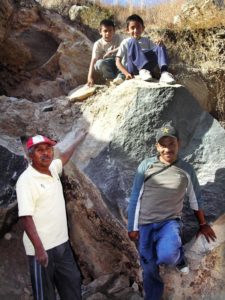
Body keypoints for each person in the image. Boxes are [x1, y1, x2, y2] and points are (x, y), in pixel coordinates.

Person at [127, 122, 216, 300]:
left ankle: (178, 257)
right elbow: (136, 196)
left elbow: (195, 198)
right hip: (145, 224)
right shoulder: (146, 166)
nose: (168, 149)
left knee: (167, 255)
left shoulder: (187, 170)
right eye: (163, 145)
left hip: (169, 222)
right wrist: (132, 226)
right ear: (157, 146)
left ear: (179, 144)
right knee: (149, 268)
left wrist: (203, 224)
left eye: (171, 144)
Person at [16, 130, 87, 300]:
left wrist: (79, 139)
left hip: (62, 244)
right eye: (40, 150)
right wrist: (39, 250)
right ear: (30, 155)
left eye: (48, 148)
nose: (46, 153)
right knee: (45, 294)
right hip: (41, 249)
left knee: (72, 284)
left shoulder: (52, 169)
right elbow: (26, 217)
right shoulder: (26, 181)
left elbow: (64, 158)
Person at [116, 14, 175, 84]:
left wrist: (160, 44)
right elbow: (117, 61)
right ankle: (142, 70)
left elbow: (156, 53)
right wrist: (126, 73)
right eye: (132, 28)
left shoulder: (147, 41)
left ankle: (164, 73)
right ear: (127, 30)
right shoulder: (126, 42)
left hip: (148, 70)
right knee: (132, 41)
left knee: (160, 45)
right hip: (133, 68)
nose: (136, 30)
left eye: (138, 27)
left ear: (143, 28)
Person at [87, 19, 124, 86]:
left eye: (110, 30)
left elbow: (126, 46)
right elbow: (93, 60)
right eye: (105, 31)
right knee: (98, 63)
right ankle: (111, 79)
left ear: (114, 31)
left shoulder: (118, 37)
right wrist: (89, 77)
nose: (108, 33)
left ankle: (120, 77)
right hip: (108, 65)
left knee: (126, 57)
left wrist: (112, 51)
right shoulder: (98, 44)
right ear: (100, 32)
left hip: (119, 62)